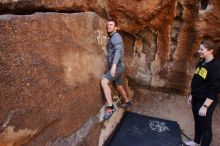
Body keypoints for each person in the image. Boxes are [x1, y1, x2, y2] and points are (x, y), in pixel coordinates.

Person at [185, 37, 220, 146]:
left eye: (202, 49)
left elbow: (214, 89)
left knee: (205, 127)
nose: (199, 51)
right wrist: (192, 94)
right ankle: (196, 142)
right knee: (198, 122)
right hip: (196, 98)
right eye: (199, 49)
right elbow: (197, 80)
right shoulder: (202, 62)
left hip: (205, 101)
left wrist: (205, 106)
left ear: (211, 51)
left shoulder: (216, 66)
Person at [101, 20, 131, 121]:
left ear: (116, 27)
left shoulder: (116, 36)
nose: (108, 26)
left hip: (117, 67)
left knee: (104, 82)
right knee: (119, 86)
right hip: (120, 66)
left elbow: (118, 50)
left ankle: (110, 107)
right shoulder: (112, 37)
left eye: (111, 25)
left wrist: (113, 66)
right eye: (108, 25)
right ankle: (127, 101)